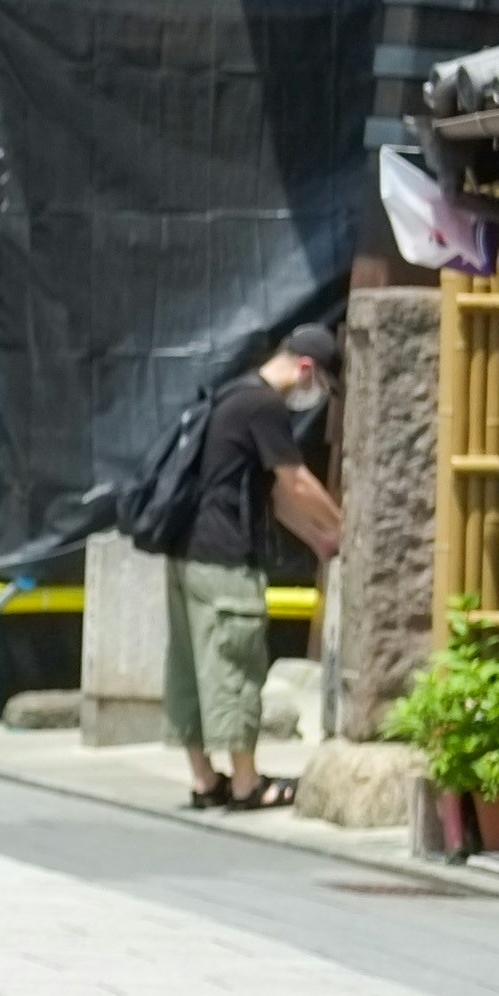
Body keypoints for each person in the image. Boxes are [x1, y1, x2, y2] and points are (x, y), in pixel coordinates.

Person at [166, 322, 344, 811]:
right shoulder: (264, 405)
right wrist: (350, 530)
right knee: (235, 664)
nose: (317, 398)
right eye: (323, 387)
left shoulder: (231, 395)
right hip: (224, 558)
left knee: (188, 668)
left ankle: (206, 781)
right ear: (306, 368)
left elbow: (277, 501)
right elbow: (297, 484)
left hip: (186, 552)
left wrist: (322, 542)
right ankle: (246, 785)